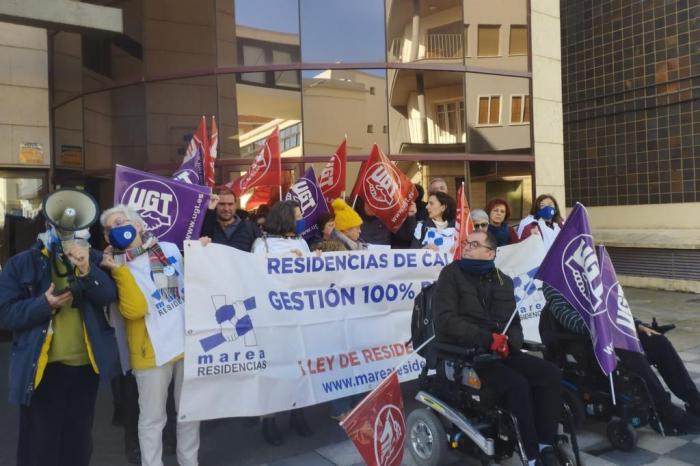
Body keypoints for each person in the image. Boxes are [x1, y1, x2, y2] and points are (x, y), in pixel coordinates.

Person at [432, 230, 563, 466]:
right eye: (466, 243)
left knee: (550, 373)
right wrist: (487, 339)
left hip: (500, 351)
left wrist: (509, 343)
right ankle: (531, 456)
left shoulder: (503, 280)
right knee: (517, 384)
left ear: (490, 252)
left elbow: (514, 323)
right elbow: (445, 321)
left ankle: (546, 444)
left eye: (473, 244)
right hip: (470, 354)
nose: (467, 247)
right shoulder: (450, 274)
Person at [0, 214, 117, 466]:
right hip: (42, 369)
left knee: (77, 444)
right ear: (48, 225)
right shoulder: (22, 264)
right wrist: (43, 305)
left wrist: (87, 270)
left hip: (86, 368)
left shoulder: (91, 257)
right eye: (60, 225)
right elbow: (5, 314)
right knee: (39, 446)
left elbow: (108, 295)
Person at [100, 205, 200, 466]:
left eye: (121, 222)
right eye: (109, 229)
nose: (116, 230)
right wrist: (118, 272)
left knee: (189, 414)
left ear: (139, 225)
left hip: (185, 343)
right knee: (152, 420)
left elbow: (190, 284)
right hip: (150, 352)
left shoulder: (167, 250)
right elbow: (135, 310)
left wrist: (200, 254)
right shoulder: (114, 266)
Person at [542, 283, 700, 434]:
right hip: (583, 340)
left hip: (612, 331)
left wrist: (636, 324)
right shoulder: (554, 280)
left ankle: (693, 399)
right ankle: (665, 409)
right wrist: (604, 327)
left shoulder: (590, 271)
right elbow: (567, 318)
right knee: (630, 351)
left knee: (657, 342)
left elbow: (615, 305)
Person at [252, 200, 313, 445]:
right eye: (298, 216)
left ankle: (297, 412)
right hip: (273, 316)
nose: (301, 219)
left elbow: (310, 277)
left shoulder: (302, 242)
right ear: (286, 218)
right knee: (274, 368)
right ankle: (268, 419)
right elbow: (257, 276)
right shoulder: (262, 244)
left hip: (299, 315)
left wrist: (312, 261)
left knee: (299, 367)